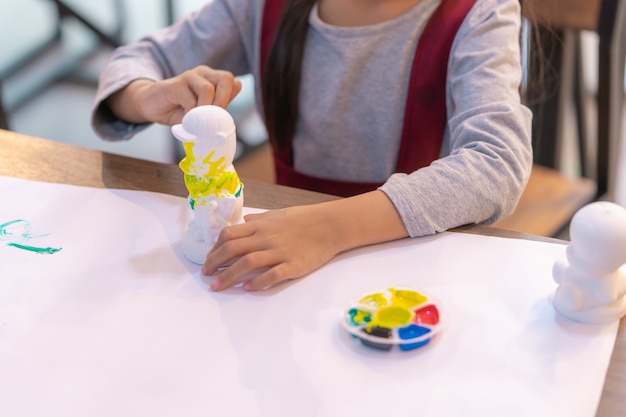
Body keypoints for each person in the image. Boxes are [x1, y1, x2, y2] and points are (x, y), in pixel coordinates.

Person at [92, 0, 532, 292]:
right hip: (285, 266)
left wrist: (328, 229)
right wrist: (146, 96)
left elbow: (496, 163)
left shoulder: (478, 13)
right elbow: (131, 64)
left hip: (408, 265)